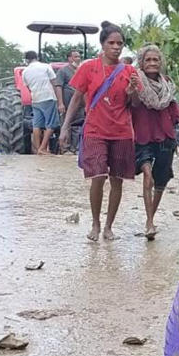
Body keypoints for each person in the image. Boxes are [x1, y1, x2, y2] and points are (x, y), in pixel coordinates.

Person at [59, 21, 142, 241]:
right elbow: (76, 98)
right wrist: (65, 126)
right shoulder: (88, 67)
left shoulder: (130, 71)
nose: (116, 47)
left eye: (120, 44)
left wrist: (132, 91)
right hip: (95, 130)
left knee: (117, 180)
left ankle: (108, 226)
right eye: (111, 43)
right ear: (103, 44)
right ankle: (95, 224)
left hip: (122, 132)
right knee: (97, 176)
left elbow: (135, 104)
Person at [132, 44, 179, 239]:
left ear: (161, 63)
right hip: (142, 136)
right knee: (147, 175)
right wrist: (133, 89)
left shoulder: (167, 84)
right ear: (141, 63)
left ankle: (150, 217)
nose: (152, 63)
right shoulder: (136, 82)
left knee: (161, 180)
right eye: (148, 60)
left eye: (155, 60)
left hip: (165, 136)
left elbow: (174, 109)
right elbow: (132, 104)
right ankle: (150, 222)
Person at [23, 50, 62, 155]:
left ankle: (37, 149)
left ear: (27, 60)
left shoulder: (25, 71)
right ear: (37, 57)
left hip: (35, 99)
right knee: (51, 124)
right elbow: (54, 82)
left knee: (37, 125)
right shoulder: (45, 66)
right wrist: (59, 101)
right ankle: (43, 148)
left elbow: (28, 87)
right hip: (48, 97)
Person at [56, 49, 84, 153]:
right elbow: (58, 86)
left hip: (80, 104)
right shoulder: (63, 71)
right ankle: (65, 148)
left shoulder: (81, 70)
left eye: (78, 57)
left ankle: (76, 148)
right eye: (75, 57)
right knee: (66, 124)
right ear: (69, 58)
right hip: (67, 103)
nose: (78, 59)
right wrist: (60, 103)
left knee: (77, 126)